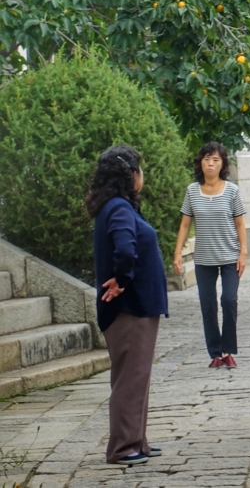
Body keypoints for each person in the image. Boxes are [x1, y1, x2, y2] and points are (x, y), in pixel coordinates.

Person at [89, 145, 168, 465]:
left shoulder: (119, 206)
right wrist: (122, 278)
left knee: (137, 376)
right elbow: (124, 248)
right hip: (128, 307)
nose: (143, 176)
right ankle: (123, 447)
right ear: (130, 174)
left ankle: (137, 441)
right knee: (130, 378)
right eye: (141, 169)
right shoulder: (119, 208)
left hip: (137, 307)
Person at [172, 142, 247, 369]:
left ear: (222, 163)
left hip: (230, 257)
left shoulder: (232, 191)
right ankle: (215, 353)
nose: (210, 164)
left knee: (229, 300)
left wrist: (243, 253)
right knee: (208, 305)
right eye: (206, 159)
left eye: (215, 159)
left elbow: (240, 223)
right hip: (204, 259)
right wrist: (177, 253)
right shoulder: (192, 191)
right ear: (200, 163)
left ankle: (228, 350)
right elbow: (185, 224)